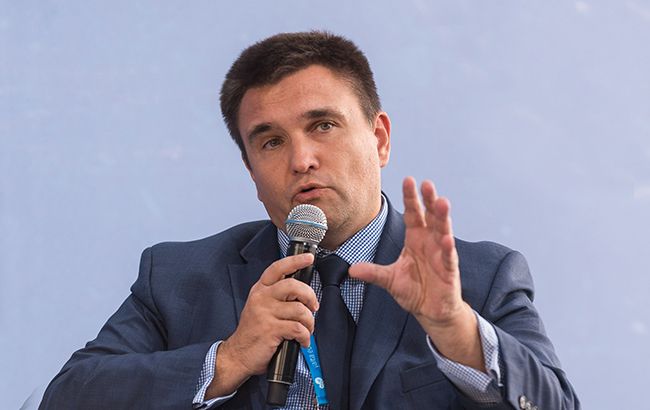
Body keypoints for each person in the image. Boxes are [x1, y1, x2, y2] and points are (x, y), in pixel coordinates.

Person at [40, 31, 579, 410]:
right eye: (271, 142)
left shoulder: (479, 278)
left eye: (322, 126)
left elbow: (555, 403)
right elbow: (66, 397)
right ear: (251, 171)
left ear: (379, 139)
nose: (301, 160)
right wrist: (227, 361)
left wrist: (455, 329)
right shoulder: (179, 278)